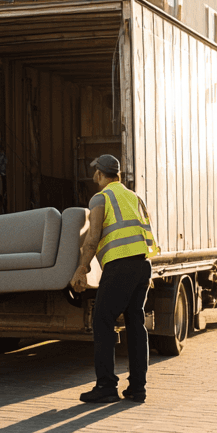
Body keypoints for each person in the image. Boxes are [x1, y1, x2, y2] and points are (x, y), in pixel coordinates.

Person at [70, 155, 156, 404]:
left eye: (94, 171)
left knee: (103, 321)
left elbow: (93, 235)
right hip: (142, 266)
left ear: (99, 173)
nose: (93, 175)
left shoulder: (101, 197)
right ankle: (137, 389)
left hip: (120, 266)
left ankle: (106, 386)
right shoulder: (134, 197)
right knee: (135, 323)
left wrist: (81, 269)